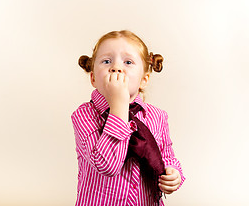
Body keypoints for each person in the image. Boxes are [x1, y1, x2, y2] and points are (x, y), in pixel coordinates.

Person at [71, 30, 185, 206]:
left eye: (128, 62)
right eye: (106, 61)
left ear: (143, 80)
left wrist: (174, 174)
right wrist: (119, 106)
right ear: (93, 78)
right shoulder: (84, 115)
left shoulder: (157, 116)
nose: (116, 67)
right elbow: (106, 165)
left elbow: (166, 156)